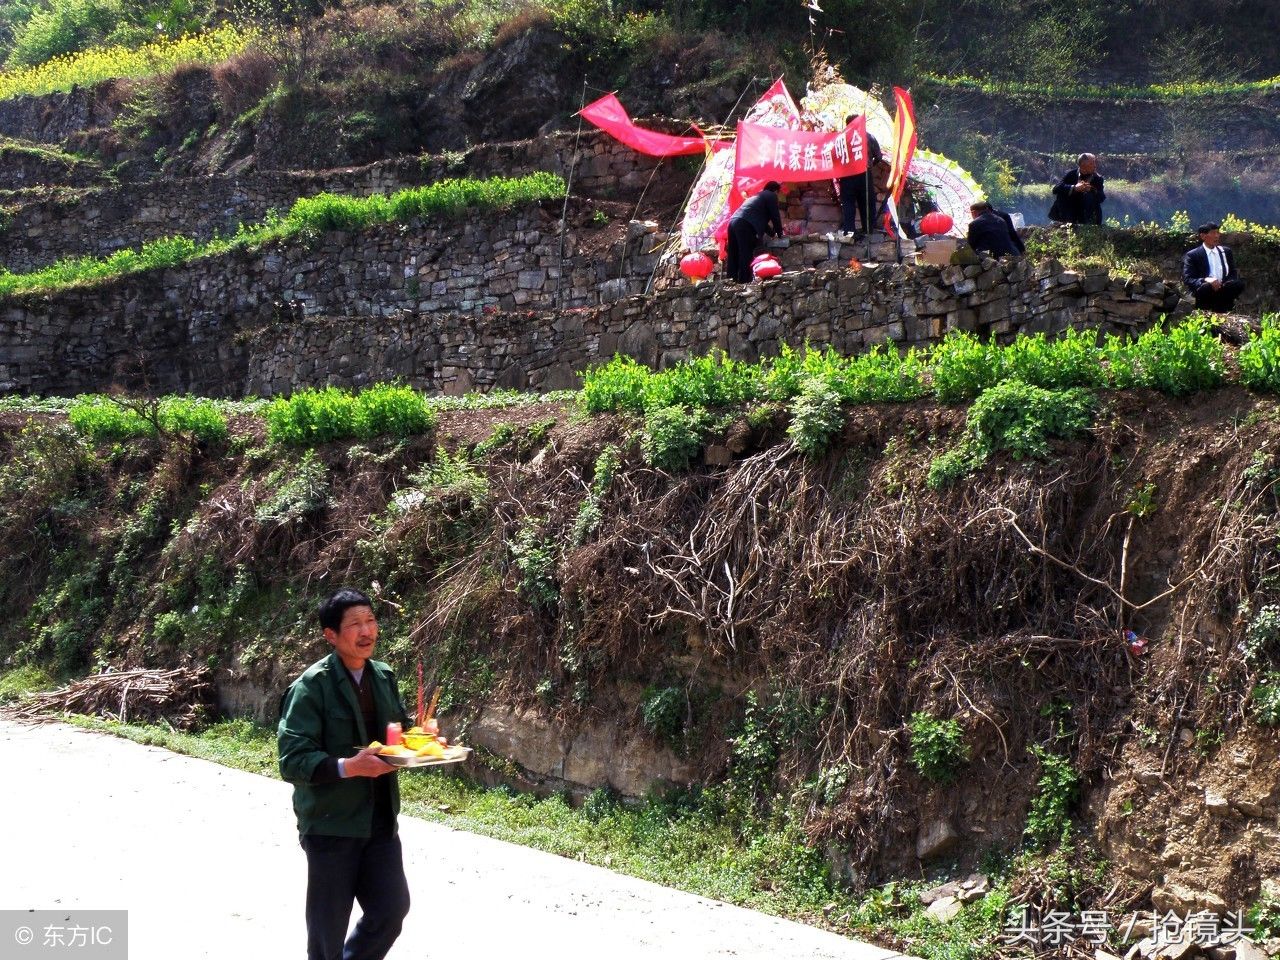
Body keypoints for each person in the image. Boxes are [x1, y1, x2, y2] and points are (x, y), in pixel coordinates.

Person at [278, 588, 412, 960]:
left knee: (390, 910)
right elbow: (292, 759)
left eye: (370, 620)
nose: (366, 630)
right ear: (331, 636)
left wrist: (425, 739)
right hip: (330, 825)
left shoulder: (383, 677)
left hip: (380, 821)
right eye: (354, 624)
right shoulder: (311, 687)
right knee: (327, 930)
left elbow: (400, 731)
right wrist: (349, 767)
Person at [726, 181, 784, 282]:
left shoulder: (756, 197)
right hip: (745, 225)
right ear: (775, 191)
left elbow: (762, 222)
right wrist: (780, 234)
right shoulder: (771, 195)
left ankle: (730, 281)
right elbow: (775, 216)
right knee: (746, 253)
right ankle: (744, 282)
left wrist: (772, 234)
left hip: (733, 222)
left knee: (733, 253)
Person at [1183, 222, 1246, 313]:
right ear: (1203, 236)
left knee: (1238, 284)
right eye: (1213, 233)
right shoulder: (1193, 255)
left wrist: (1228, 282)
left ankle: (1226, 310)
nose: (1216, 236)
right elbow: (1188, 278)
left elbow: (1232, 272)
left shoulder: (1226, 252)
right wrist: (1205, 280)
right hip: (1205, 292)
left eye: (1218, 233)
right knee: (1207, 287)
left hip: (1223, 290)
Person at [838, 115, 883, 236]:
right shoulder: (869, 137)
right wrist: (870, 164)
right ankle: (868, 231)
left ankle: (849, 233)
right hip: (864, 174)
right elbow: (879, 156)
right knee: (867, 203)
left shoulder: (840, 138)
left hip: (847, 175)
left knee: (848, 203)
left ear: (847, 125)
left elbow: (835, 157)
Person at [1049, 153, 1105, 225]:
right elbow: (1056, 189)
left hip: (1087, 214)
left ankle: (1088, 225)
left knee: (1089, 196)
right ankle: (1064, 223)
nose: (1095, 166)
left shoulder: (1098, 179)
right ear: (1083, 166)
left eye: (1094, 162)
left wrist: (1091, 189)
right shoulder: (1071, 174)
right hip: (1071, 212)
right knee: (1063, 193)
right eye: (1091, 163)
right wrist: (1074, 188)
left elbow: (1102, 198)